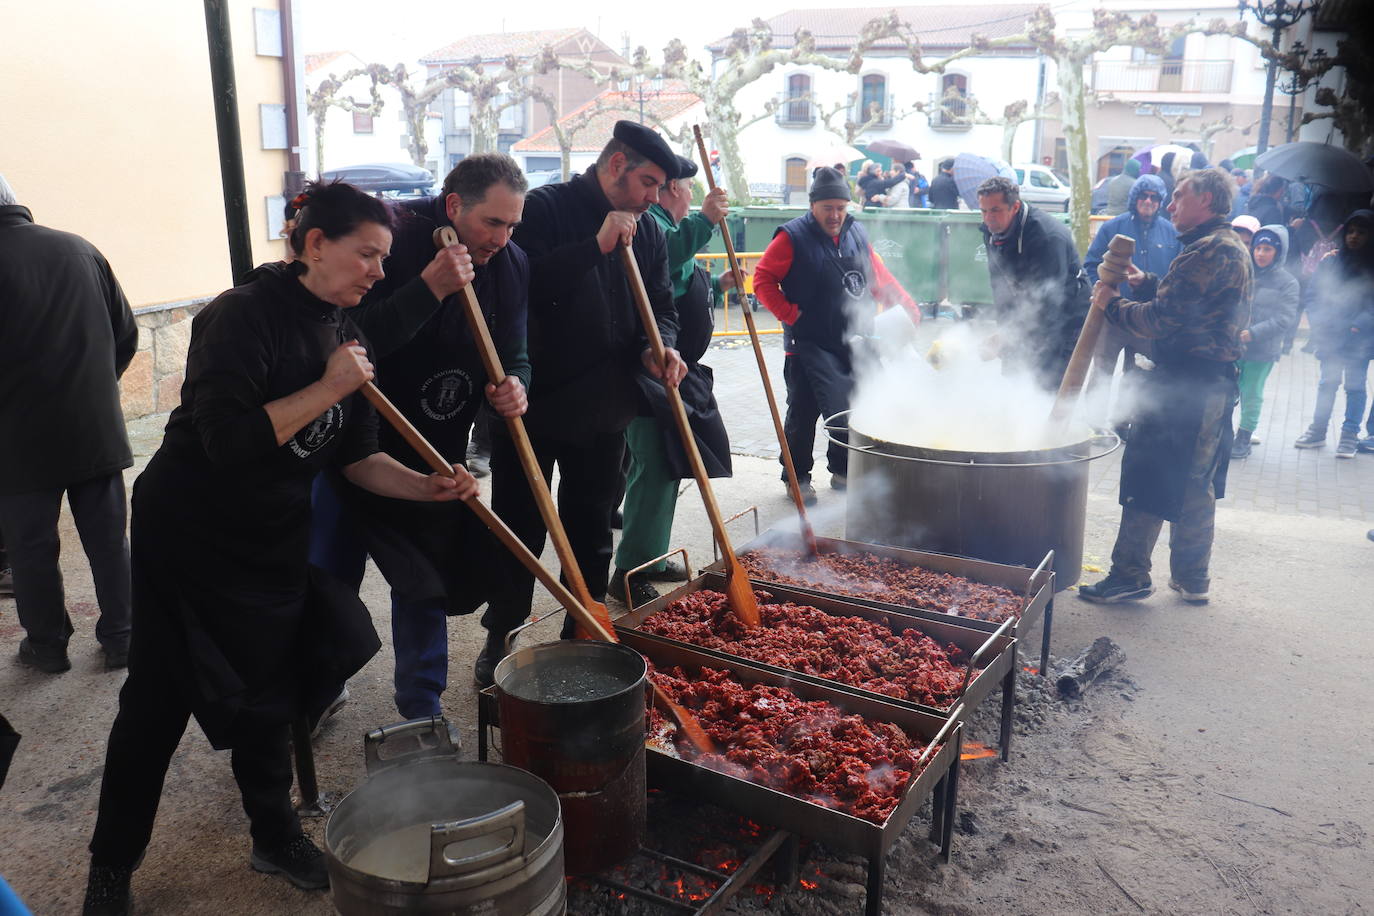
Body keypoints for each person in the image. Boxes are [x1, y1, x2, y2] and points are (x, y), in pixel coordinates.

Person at [81, 182, 479, 913]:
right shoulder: (240, 318)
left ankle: (274, 833)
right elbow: (228, 442)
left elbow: (356, 461)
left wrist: (430, 486)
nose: (378, 272)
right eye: (367, 254)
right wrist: (331, 386)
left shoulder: (348, 335)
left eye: (385, 257)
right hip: (191, 533)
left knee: (273, 688)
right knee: (157, 703)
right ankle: (111, 866)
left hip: (271, 536)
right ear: (315, 243)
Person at [309, 154, 530, 720]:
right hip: (350, 443)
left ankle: (421, 707)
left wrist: (514, 389)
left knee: (422, 578)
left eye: (512, 226)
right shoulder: (389, 245)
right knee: (329, 576)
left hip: (438, 446)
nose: (502, 240)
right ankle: (318, 685)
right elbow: (351, 342)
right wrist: (429, 287)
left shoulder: (510, 266)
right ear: (455, 207)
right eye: (493, 224)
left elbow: (515, 355)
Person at [480, 121, 686, 684]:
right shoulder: (545, 209)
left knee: (592, 524)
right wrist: (594, 246)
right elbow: (515, 287)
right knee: (519, 522)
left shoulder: (650, 232)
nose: (652, 197)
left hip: (606, 404)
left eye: (659, 186)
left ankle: (581, 629)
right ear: (616, 164)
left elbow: (662, 305)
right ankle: (503, 629)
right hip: (531, 400)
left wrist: (659, 347)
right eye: (647, 181)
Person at [1080, 168, 1252, 606]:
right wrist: (1149, 284)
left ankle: (1129, 574)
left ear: (1207, 202)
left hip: (1184, 384)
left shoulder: (1207, 250)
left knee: (1149, 476)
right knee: (1196, 483)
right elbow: (1193, 306)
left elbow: (1160, 320)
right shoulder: (1226, 245)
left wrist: (1112, 302)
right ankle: (1193, 578)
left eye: (1179, 197)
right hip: (1211, 385)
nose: (1171, 205)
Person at [0, 174, 136, 674]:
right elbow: (125, 334)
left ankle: (47, 646)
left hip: (15, 438)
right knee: (108, 540)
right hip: (93, 426)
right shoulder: (81, 249)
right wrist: (96, 392)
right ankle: (123, 638)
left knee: (31, 548)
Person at [753, 167, 919, 501]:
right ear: (814, 206)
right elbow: (762, 281)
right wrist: (790, 313)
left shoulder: (856, 233)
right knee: (803, 412)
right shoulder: (792, 237)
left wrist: (907, 308)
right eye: (828, 207)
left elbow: (879, 278)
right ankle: (796, 477)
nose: (835, 215)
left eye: (840, 207)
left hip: (854, 339)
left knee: (853, 407)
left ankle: (843, 471)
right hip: (807, 342)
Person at [612, 155, 734, 606]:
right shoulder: (654, 226)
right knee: (654, 468)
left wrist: (718, 286)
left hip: (675, 373)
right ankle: (628, 571)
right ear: (672, 192)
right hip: (648, 373)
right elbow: (668, 257)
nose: (686, 196)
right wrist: (705, 219)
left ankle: (652, 558)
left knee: (666, 469)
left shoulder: (667, 224)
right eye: (683, 189)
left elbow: (680, 283)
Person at [977, 175, 1091, 391]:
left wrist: (1009, 336)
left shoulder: (1047, 237)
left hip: (1068, 316)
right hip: (1030, 308)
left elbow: (1048, 302)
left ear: (1015, 206)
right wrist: (1004, 333)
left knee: (1047, 384)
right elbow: (1000, 287)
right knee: (1015, 376)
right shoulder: (991, 232)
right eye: (983, 211)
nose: (988, 218)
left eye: (995, 210)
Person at [1082, 172, 1181, 415]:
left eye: (1154, 197)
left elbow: (1177, 273)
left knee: (1137, 373)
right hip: (1111, 313)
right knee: (1102, 370)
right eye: (1144, 196)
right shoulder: (1113, 227)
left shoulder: (1172, 233)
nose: (1149, 201)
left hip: (1146, 316)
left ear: (1161, 201)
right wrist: (1100, 287)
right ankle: (1092, 422)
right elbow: (1091, 263)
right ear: (1135, 198)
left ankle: (1124, 422)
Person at [1293, 210, 1374, 457]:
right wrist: (1319, 323)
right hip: (1330, 335)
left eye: (1361, 232)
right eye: (1350, 231)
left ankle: (1349, 436)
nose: (1354, 237)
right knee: (1327, 383)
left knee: (1355, 386)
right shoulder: (1330, 261)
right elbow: (1314, 295)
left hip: (1359, 339)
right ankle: (1317, 431)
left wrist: (1357, 325)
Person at [1231, 225, 1299, 459]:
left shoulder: (1288, 282)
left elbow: (1285, 318)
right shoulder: (1243, 271)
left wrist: (1254, 333)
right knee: (1227, 390)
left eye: (1267, 249)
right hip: (1234, 346)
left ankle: (1244, 437)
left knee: (1251, 393)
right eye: (1257, 247)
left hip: (1261, 350)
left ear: (1278, 252)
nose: (1260, 253)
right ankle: (1222, 432)